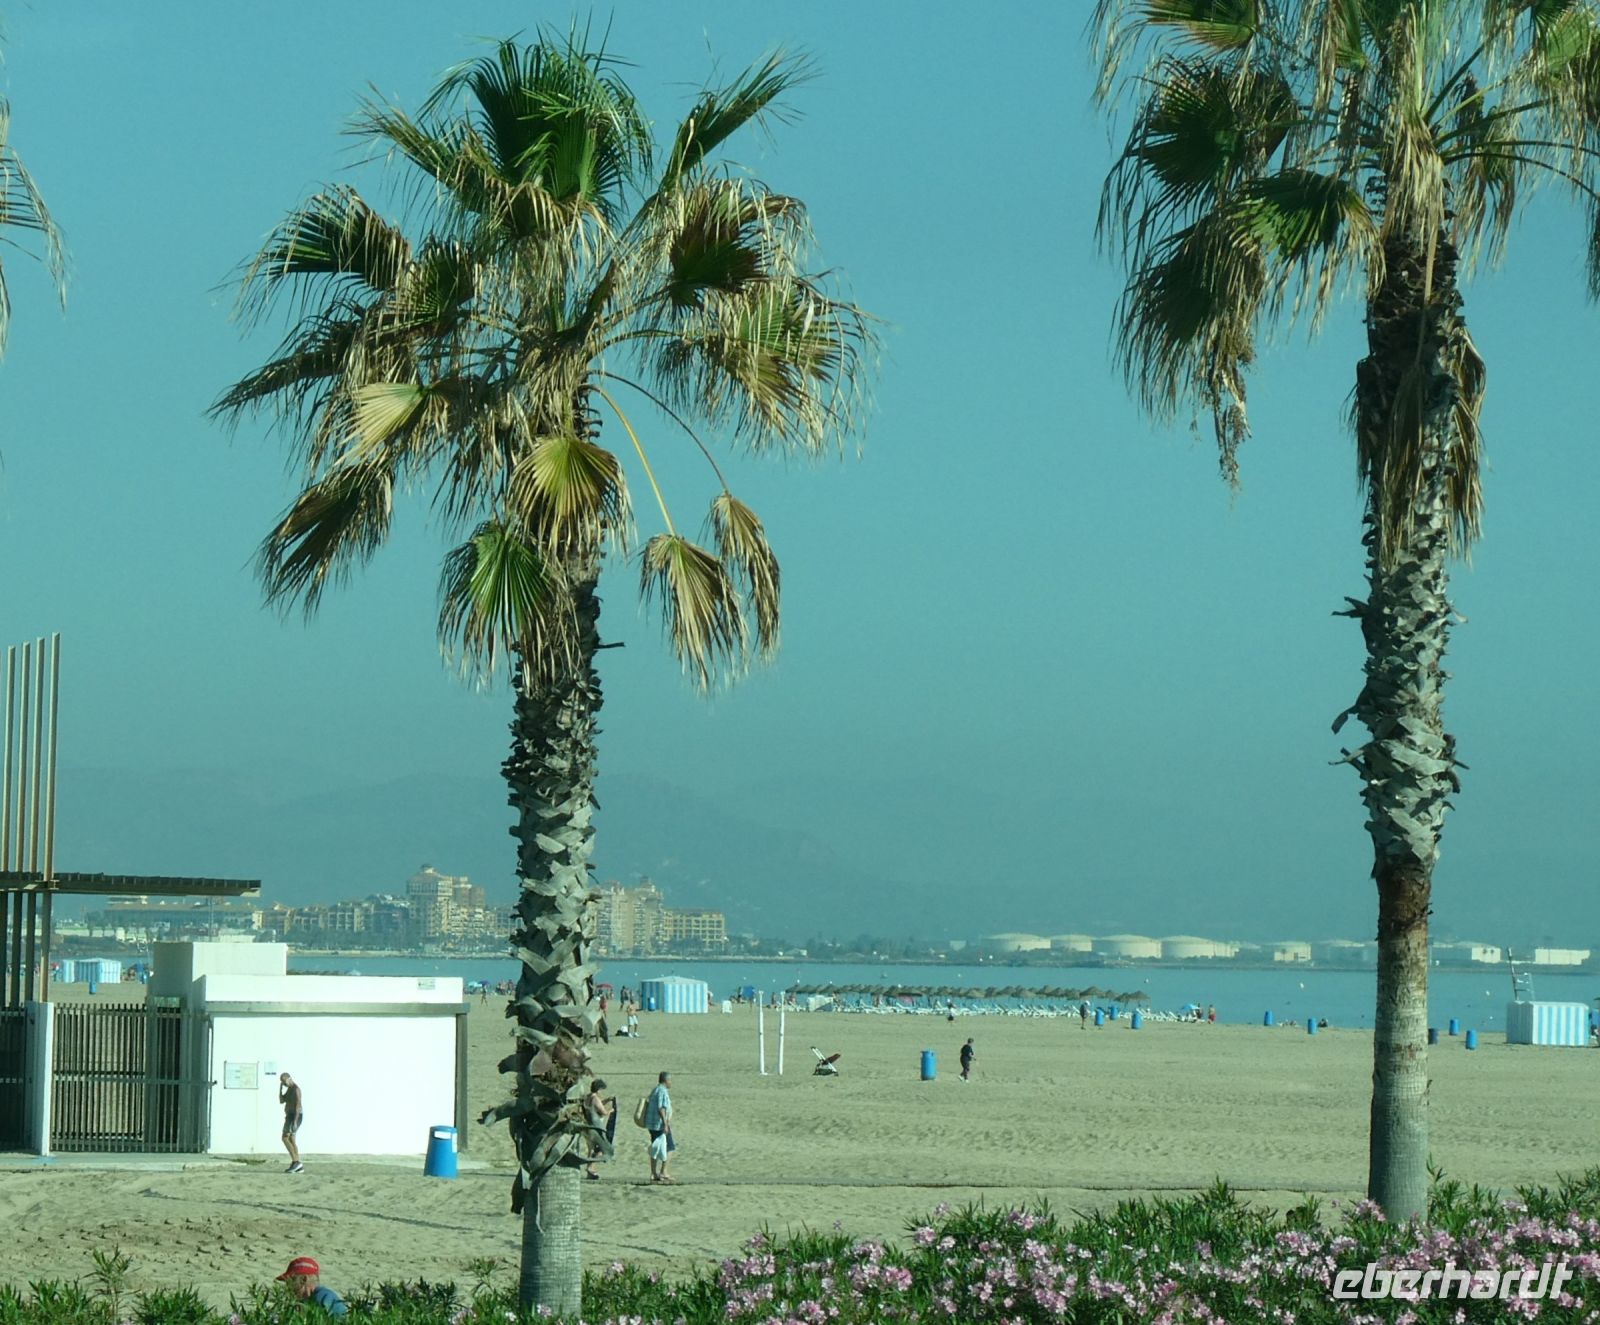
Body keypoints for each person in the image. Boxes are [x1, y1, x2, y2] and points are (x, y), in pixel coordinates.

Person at [276, 1255, 347, 1316]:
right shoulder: (313, 1298)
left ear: (303, 1279)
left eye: (291, 1281)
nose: (287, 1286)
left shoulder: (322, 1297)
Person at [645, 1070, 675, 1183]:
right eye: (670, 1080)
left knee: (655, 1148)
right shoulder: (662, 1091)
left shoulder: (655, 1089)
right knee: (670, 1147)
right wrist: (665, 1124)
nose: (671, 1083)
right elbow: (661, 1108)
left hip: (652, 1124)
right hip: (659, 1125)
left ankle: (653, 1173)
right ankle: (663, 1171)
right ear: (666, 1080)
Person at [584, 1078, 614, 1180]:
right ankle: (591, 1167)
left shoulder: (588, 1097)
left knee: (591, 1148)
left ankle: (590, 1170)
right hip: (596, 1126)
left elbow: (598, 1105)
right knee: (601, 1147)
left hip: (587, 1126)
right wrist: (611, 1110)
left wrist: (607, 1100)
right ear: (598, 1089)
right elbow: (603, 1111)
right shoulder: (595, 1098)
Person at [278, 1072, 304, 1173]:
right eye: (282, 1083)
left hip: (294, 1116)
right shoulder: (289, 1089)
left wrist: (295, 1121)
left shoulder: (296, 1090)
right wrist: (280, 1089)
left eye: (284, 1082)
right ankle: (297, 1164)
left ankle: (296, 1162)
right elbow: (281, 1100)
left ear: (289, 1079)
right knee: (292, 1139)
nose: (284, 1084)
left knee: (285, 1138)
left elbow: (298, 1106)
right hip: (290, 1115)